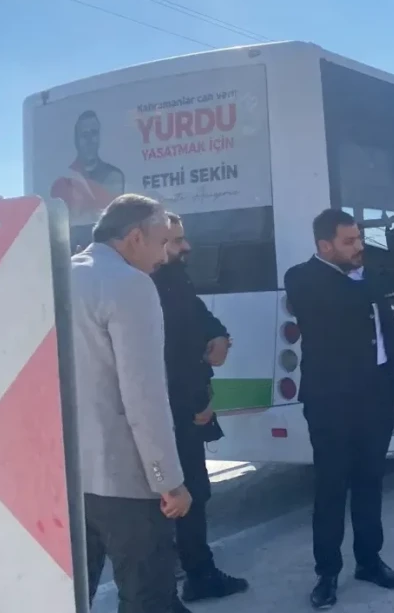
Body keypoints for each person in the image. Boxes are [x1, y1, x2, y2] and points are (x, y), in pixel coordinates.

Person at [285, 209, 394, 609]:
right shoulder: (302, 279)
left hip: (375, 397)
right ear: (324, 245)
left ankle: (369, 561)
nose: (359, 247)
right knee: (331, 489)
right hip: (330, 404)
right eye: (349, 241)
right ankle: (327, 573)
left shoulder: (367, 276)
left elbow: (387, 330)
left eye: (359, 239)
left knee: (371, 483)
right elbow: (339, 302)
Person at [73, 194, 192, 613]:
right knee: (147, 598)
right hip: (126, 480)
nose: (165, 254)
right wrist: (168, 481)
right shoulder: (130, 284)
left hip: (68, 480)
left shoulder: (59, 276)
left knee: (70, 596)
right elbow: (143, 396)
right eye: (162, 241)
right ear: (135, 237)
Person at [152, 213, 249, 602]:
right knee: (181, 495)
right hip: (173, 411)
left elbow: (198, 317)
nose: (186, 247)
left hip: (182, 407)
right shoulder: (147, 284)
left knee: (194, 492)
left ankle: (194, 570)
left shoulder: (173, 278)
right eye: (176, 240)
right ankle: (194, 577)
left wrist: (220, 334)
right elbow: (169, 354)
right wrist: (199, 404)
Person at [51, 110, 125, 222]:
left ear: (99, 137)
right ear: (76, 140)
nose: (90, 140)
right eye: (84, 135)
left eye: (94, 133)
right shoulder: (62, 184)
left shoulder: (114, 176)